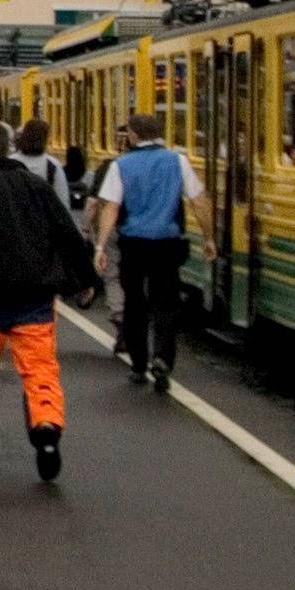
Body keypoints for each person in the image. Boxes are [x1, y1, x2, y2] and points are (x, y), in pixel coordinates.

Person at [0, 119, 98, 481]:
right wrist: (85, 280)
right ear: (9, 146)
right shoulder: (36, 186)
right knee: (40, 369)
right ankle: (46, 429)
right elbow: (67, 233)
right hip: (35, 296)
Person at [91, 110, 211, 392]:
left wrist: (100, 245)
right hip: (167, 243)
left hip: (133, 244)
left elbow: (111, 207)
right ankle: (163, 359)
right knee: (166, 304)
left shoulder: (121, 165)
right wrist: (209, 238)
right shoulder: (177, 161)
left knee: (135, 303)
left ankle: (138, 364)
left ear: (133, 135)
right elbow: (199, 200)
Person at [14, 117, 70, 209]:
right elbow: (62, 200)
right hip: (43, 220)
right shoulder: (52, 165)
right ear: (45, 139)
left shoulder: (10, 161)